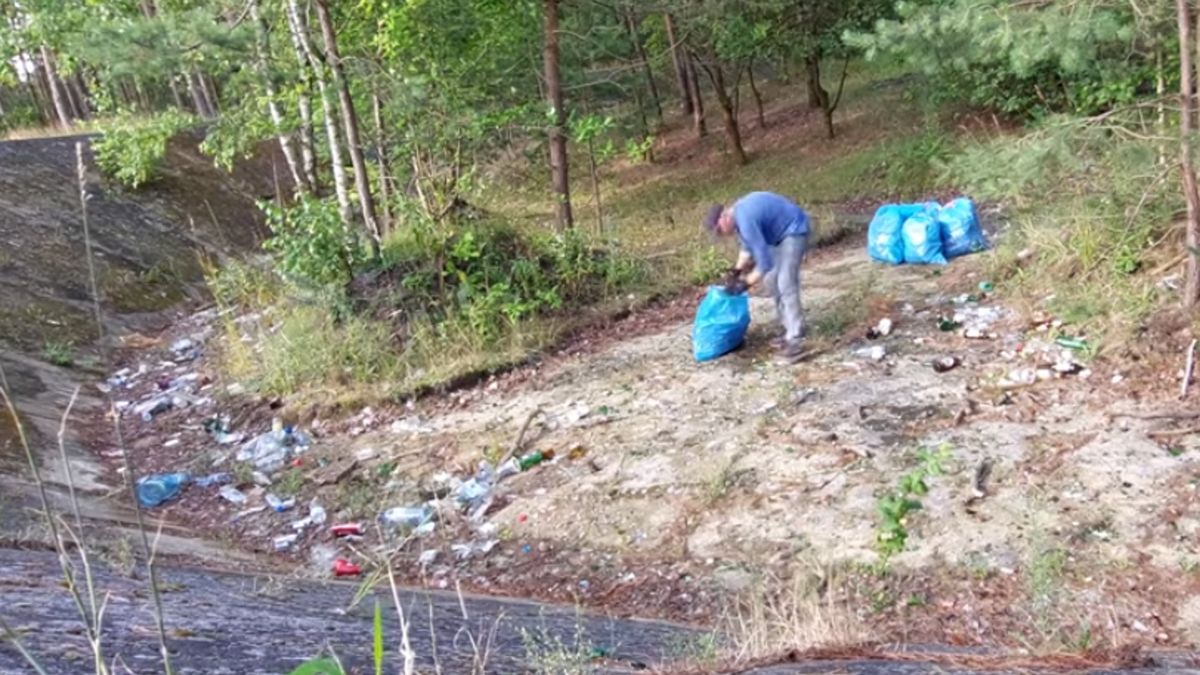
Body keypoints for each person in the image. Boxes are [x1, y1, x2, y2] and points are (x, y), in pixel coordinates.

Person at [704, 191, 810, 362]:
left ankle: (795, 338)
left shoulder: (745, 218)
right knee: (771, 281)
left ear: (724, 217)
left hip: (793, 230)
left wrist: (745, 283)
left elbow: (764, 262)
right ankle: (788, 327)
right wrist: (736, 272)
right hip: (777, 238)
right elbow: (747, 248)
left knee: (785, 282)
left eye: (719, 230)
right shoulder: (739, 217)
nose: (722, 235)